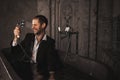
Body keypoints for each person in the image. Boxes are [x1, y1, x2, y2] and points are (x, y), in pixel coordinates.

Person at [11, 15, 56, 80]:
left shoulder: (50, 42)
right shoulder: (28, 37)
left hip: (39, 70)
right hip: (25, 68)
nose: (32, 27)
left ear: (43, 25)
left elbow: (50, 60)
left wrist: (52, 75)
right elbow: (15, 51)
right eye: (32, 25)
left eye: (35, 25)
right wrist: (15, 37)